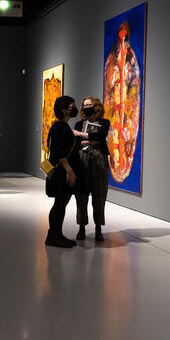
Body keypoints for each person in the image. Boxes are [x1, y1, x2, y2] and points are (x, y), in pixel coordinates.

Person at [45, 95, 83, 248]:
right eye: (71, 106)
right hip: (62, 172)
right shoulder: (60, 126)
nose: (74, 109)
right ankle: (53, 236)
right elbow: (60, 152)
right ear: (63, 109)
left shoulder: (59, 125)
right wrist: (69, 170)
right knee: (60, 204)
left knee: (61, 204)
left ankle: (57, 234)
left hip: (61, 171)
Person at [73, 96, 111, 242]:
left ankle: (98, 228)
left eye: (89, 104)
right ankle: (81, 227)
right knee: (81, 194)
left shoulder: (104, 122)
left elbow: (101, 136)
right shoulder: (78, 123)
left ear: (96, 106)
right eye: (84, 105)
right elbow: (76, 142)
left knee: (99, 194)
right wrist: (90, 140)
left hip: (99, 160)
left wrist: (82, 136)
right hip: (82, 160)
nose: (86, 107)